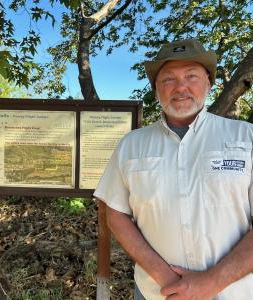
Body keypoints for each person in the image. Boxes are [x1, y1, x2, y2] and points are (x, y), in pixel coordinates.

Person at [94, 39, 253, 300]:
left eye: (191, 76)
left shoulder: (245, 138)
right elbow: (116, 214)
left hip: (234, 292)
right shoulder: (131, 145)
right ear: (156, 88)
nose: (180, 87)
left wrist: (210, 282)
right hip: (156, 292)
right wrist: (166, 278)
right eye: (168, 79)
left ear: (209, 83)